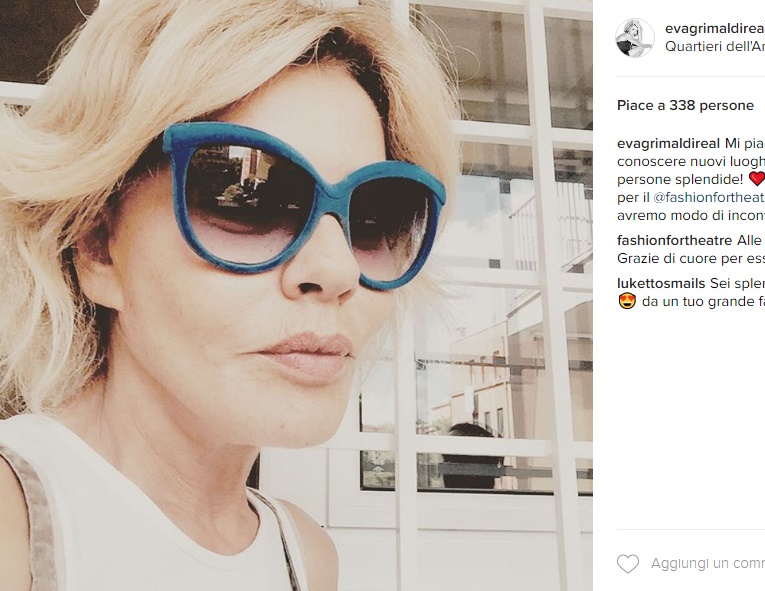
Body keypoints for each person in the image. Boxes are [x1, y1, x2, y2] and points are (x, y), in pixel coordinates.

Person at [0, 1, 458, 590]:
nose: (337, 269)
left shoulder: (305, 557)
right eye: (247, 200)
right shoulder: (16, 526)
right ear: (97, 247)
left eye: (374, 216)